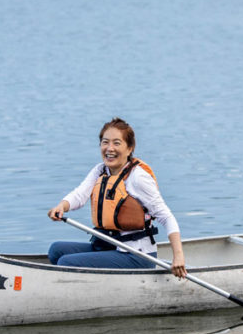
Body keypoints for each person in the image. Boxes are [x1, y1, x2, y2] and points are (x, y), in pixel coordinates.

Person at [47, 118, 187, 278]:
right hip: (109, 247)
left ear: (130, 149)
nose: (109, 148)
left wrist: (178, 256)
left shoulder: (138, 177)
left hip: (136, 255)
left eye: (117, 143)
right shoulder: (101, 170)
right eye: (105, 142)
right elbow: (80, 195)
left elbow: (166, 217)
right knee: (56, 250)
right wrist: (62, 206)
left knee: (67, 263)